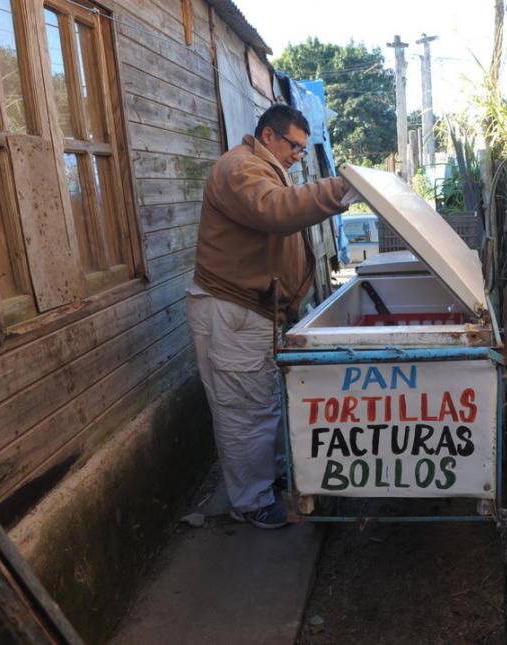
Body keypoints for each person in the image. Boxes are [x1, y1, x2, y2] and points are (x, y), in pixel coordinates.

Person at [185, 104, 356, 528]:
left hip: (253, 311)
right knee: (243, 411)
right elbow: (274, 210)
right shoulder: (239, 168)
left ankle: (269, 480)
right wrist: (341, 189)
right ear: (267, 136)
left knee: (263, 402)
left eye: (302, 149)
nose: (298, 155)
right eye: (294, 146)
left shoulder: (264, 168)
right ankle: (252, 503)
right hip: (233, 311)